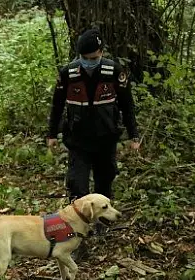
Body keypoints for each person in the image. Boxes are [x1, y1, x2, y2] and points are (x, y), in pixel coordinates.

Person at [47, 29, 140, 203]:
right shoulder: (68, 73)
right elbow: (57, 105)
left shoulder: (114, 71)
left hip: (106, 137)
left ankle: (101, 223)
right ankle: (76, 225)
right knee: (77, 184)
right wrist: (52, 134)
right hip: (78, 139)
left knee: (104, 182)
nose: (89, 62)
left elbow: (127, 106)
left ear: (101, 53)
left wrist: (133, 135)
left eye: (94, 58)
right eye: (86, 58)